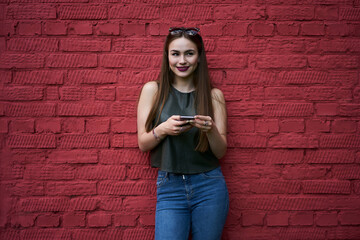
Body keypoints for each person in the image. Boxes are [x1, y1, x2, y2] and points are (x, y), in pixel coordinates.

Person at [137, 27, 229, 240]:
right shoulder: (153, 90)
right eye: (175, 53)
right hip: (170, 186)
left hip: (209, 185)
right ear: (167, 56)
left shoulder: (214, 96)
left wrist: (211, 130)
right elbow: (143, 143)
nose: (182, 60)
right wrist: (162, 130)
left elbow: (221, 151)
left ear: (199, 57)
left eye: (189, 53)